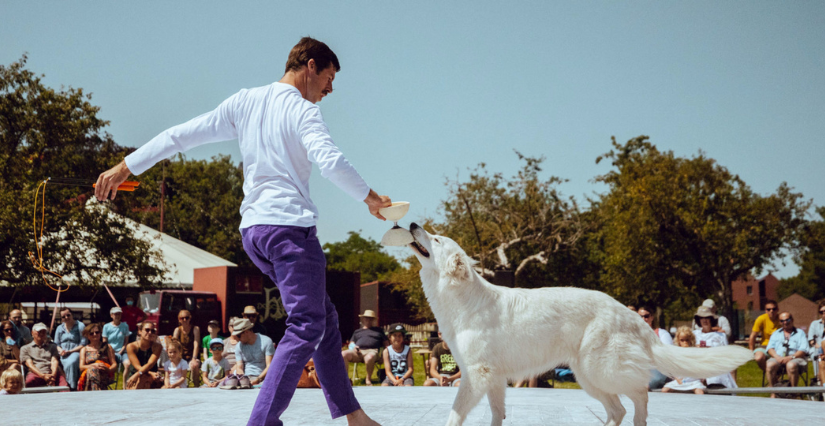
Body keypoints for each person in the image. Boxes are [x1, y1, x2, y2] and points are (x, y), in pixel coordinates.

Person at [96, 36, 389, 426]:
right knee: (307, 325)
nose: (330, 89)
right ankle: (262, 422)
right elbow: (330, 161)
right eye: (330, 77)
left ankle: (353, 415)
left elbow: (181, 135)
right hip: (289, 231)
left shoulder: (245, 100)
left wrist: (126, 166)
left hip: (255, 233)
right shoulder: (304, 111)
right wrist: (369, 197)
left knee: (325, 318)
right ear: (312, 66)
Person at [766, 312, 810, 398]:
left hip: (796, 358)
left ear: (792, 320)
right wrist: (777, 357)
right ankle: (774, 392)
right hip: (778, 358)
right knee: (770, 365)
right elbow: (770, 348)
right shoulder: (776, 333)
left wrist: (791, 357)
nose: (785, 322)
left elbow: (804, 349)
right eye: (782, 321)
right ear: (779, 322)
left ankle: (793, 393)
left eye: (787, 320)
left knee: (791, 365)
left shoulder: (800, 333)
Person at [692, 306, 736, 390]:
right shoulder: (694, 334)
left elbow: (726, 354)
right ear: (698, 320)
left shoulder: (720, 336)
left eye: (707, 317)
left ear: (711, 319)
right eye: (701, 318)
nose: (704, 320)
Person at [341, 310, 388, 386]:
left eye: (370, 318)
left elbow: (386, 344)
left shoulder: (379, 331)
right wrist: (354, 347)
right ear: (362, 319)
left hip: (372, 351)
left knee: (369, 357)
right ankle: (345, 380)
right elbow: (351, 343)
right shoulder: (357, 331)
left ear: (373, 320)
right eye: (366, 318)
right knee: (343, 354)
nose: (368, 320)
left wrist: (383, 356)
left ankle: (368, 379)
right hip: (357, 352)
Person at [20, 323, 69, 388]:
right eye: (39, 332)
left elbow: (54, 361)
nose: (41, 334)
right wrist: (42, 376)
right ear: (32, 333)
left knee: (64, 387)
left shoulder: (53, 346)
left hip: (52, 373)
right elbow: (30, 365)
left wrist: (53, 375)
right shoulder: (25, 348)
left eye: (44, 332)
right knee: (29, 382)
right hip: (36, 373)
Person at [662, 326, 705, 395]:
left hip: (692, 380)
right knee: (665, 390)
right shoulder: (676, 352)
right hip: (680, 380)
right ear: (678, 341)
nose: (685, 342)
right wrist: (678, 379)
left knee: (699, 392)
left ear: (690, 340)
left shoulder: (694, 351)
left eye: (687, 340)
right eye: (682, 340)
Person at [638, 306, 672, 390]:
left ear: (652, 317)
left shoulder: (662, 333)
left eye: (646, 316)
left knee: (652, 381)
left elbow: (668, 353)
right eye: (640, 316)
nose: (643, 319)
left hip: (657, 366)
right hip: (639, 367)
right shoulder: (633, 335)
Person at [233, 318, 274, 386]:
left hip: (264, 378)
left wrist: (258, 379)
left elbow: (270, 366)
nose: (237, 339)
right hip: (246, 378)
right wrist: (244, 379)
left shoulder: (266, 341)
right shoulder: (239, 346)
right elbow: (239, 367)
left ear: (246, 332)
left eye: (238, 336)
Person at [54, 307, 87, 390]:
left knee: (71, 363)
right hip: (62, 352)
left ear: (72, 315)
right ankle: (63, 385)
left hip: (75, 351)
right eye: (63, 317)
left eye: (68, 315)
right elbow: (56, 344)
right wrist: (61, 350)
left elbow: (83, 343)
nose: (66, 318)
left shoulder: (80, 326)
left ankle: (72, 387)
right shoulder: (59, 328)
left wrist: (70, 351)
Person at [124, 321, 164, 389]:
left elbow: (150, 364)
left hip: (151, 377)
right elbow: (137, 366)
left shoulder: (157, 347)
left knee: (144, 381)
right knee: (143, 381)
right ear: (140, 331)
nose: (150, 333)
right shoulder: (131, 346)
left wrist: (138, 374)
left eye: (152, 331)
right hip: (139, 374)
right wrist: (150, 373)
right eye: (147, 330)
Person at [79, 322, 117, 391]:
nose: (95, 334)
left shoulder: (107, 347)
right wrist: (94, 365)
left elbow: (114, 364)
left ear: (100, 333)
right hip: (89, 375)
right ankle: (97, 391)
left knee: (93, 371)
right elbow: (81, 367)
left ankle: (95, 392)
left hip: (105, 373)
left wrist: (109, 370)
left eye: (97, 332)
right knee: (93, 370)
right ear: (87, 335)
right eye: (91, 333)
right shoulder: (84, 350)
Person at [749, 299, 780, 373]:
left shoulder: (782, 319)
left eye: (774, 309)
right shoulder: (761, 319)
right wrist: (751, 351)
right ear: (765, 310)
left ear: (777, 310)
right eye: (768, 309)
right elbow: (753, 336)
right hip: (765, 345)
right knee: (759, 358)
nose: (771, 311)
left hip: (779, 345)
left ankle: (774, 377)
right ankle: (772, 376)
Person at [172, 309, 201, 387]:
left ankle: (196, 386)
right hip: (181, 357)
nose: (184, 320)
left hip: (192, 356)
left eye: (186, 318)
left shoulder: (195, 329)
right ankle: (179, 386)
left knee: (194, 365)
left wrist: (194, 358)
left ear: (190, 318)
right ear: (179, 319)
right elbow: (174, 345)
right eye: (182, 318)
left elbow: (196, 344)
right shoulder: (177, 330)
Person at [102, 307, 131, 379]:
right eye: (115, 314)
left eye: (119, 314)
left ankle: (125, 385)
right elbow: (104, 342)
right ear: (111, 315)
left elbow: (126, 341)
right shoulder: (106, 326)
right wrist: (110, 352)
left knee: (128, 365)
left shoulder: (125, 325)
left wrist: (121, 351)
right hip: (110, 351)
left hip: (122, 351)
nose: (117, 316)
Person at [808, 300, 825, 385]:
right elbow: (811, 340)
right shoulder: (814, 324)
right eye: (822, 312)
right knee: (815, 354)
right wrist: (816, 345)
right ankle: (818, 378)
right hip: (818, 348)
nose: (824, 313)